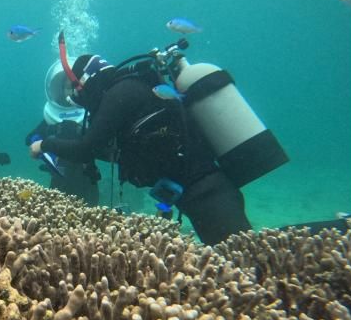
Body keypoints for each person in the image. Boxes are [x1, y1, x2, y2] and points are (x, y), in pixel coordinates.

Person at [31, 40, 287, 245]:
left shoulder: (120, 94)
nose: (75, 97)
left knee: (244, 261)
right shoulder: (130, 90)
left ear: (86, 80)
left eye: (74, 90)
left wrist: (45, 145)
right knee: (236, 260)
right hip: (196, 192)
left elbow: (85, 148)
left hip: (206, 193)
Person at [25, 62, 100, 205]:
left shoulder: (91, 112)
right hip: (59, 174)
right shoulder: (52, 115)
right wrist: (41, 148)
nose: (71, 91)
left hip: (86, 176)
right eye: (67, 87)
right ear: (61, 90)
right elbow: (30, 138)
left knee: (90, 213)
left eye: (74, 86)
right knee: (55, 210)